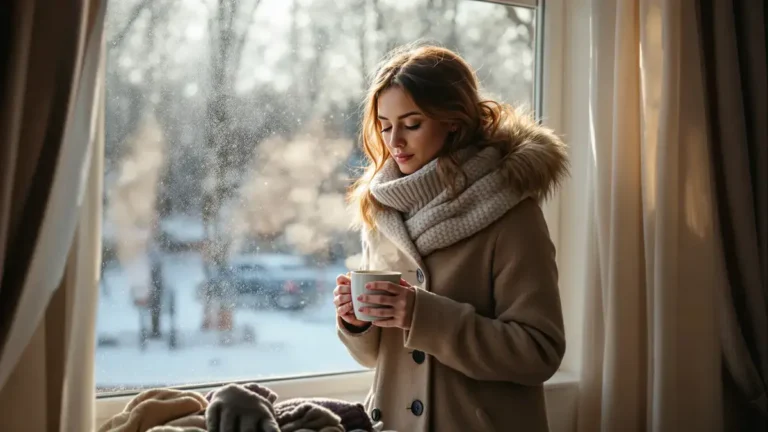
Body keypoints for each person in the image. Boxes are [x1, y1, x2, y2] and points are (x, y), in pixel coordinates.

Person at [333, 43, 568, 432]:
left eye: (411, 124)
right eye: (385, 125)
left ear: (454, 121)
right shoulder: (382, 210)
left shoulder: (512, 214)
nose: (395, 142)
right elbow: (378, 357)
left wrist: (421, 314)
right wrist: (357, 322)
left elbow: (539, 351)